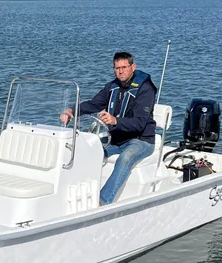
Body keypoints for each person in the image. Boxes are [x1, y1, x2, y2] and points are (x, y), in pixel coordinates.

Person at [60, 51, 157, 205]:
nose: (121, 71)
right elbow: (93, 104)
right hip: (117, 140)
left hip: (142, 140)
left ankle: (102, 201)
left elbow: (140, 123)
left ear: (133, 67)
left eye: (124, 67)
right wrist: (72, 111)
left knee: (125, 158)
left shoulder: (146, 89)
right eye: (117, 68)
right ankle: (73, 194)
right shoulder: (112, 87)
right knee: (89, 151)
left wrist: (114, 120)